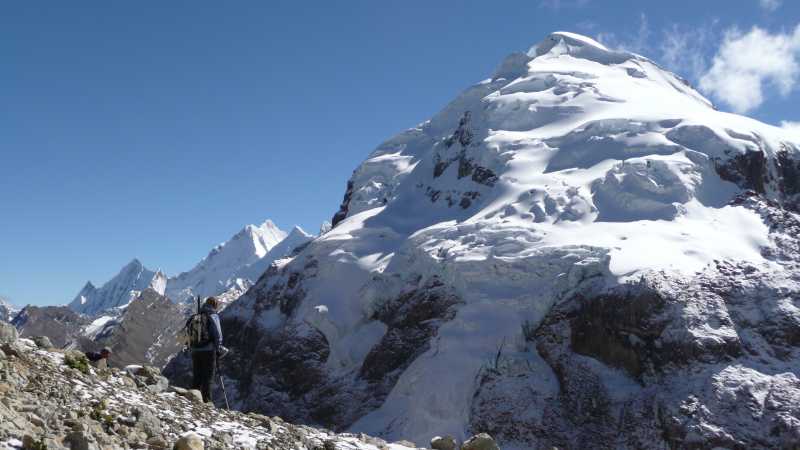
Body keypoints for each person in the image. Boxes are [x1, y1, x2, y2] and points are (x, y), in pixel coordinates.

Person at [189, 296, 228, 403]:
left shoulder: (197, 316)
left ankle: (192, 399)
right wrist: (218, 349)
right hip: (209, 351)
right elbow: (218, 335)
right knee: (208, 378)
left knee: (197, 376)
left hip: (195, 350)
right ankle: (207, 402)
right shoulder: (213, 315)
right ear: (215, 305)